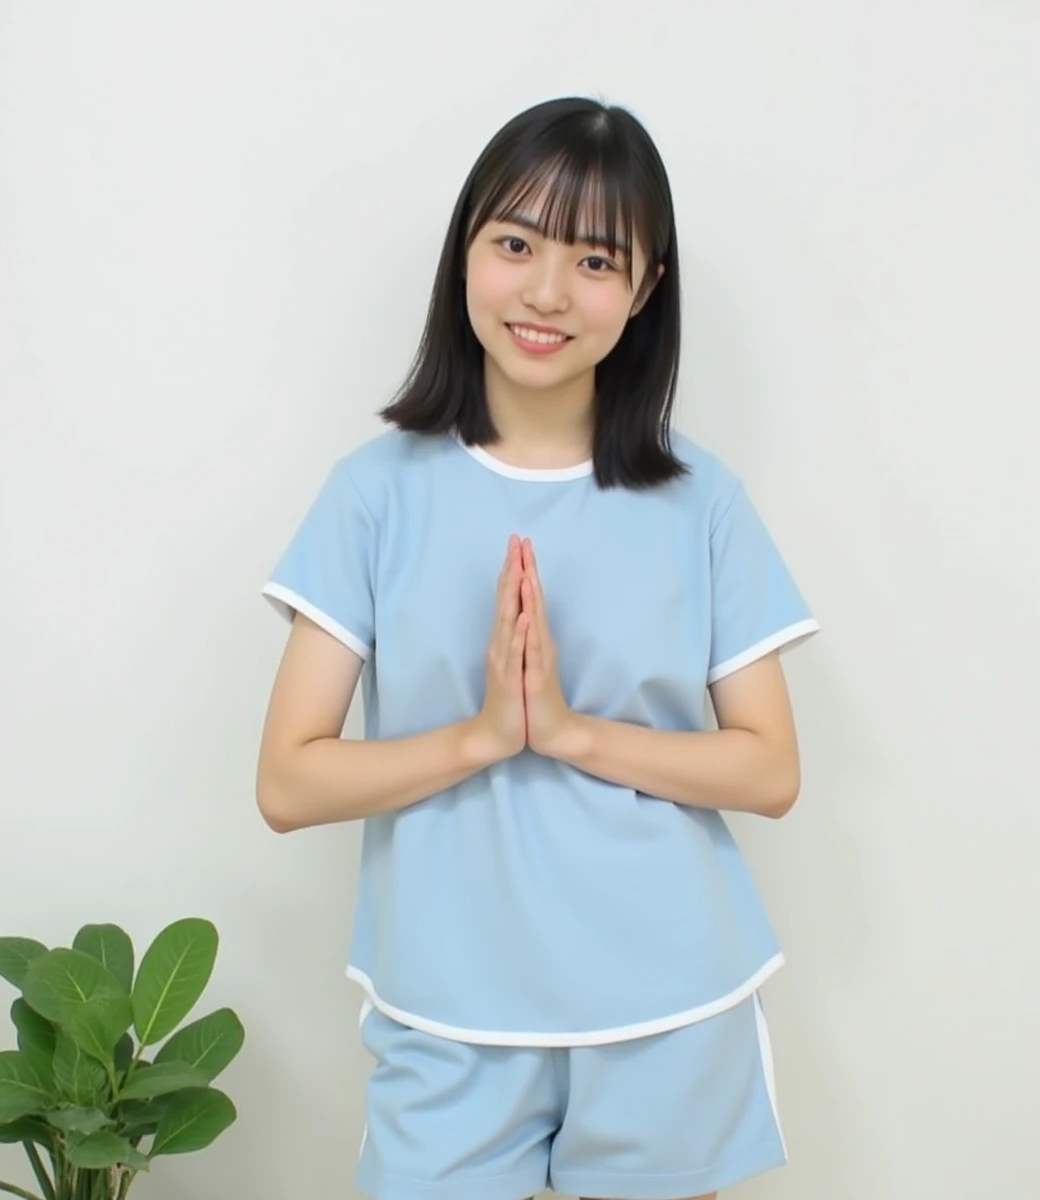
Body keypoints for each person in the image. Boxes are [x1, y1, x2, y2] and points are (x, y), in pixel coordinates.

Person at [257, 95, 819, 1200]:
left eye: (595, 260)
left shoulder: (700, 502)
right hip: (446, 1004)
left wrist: (565, 733)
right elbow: (287, 781)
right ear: (464, 251)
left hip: (664, 1001)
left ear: (645, 289)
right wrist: (477, 739)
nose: (547, 293)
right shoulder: (373, 495)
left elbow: (768, 768)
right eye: (514, 244)